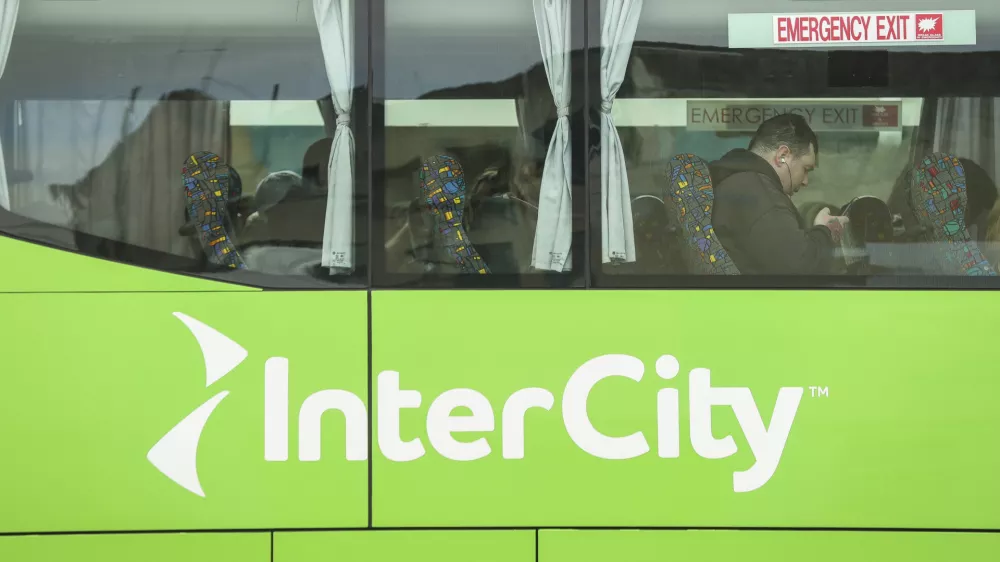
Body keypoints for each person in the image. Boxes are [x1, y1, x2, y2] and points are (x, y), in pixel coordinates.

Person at [708, 113, 848, 274]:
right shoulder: (760, 195)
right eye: (806, 169)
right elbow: (799, 266)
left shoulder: (736, 182)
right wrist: (826, 231)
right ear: (782, 156)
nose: (805, 181)